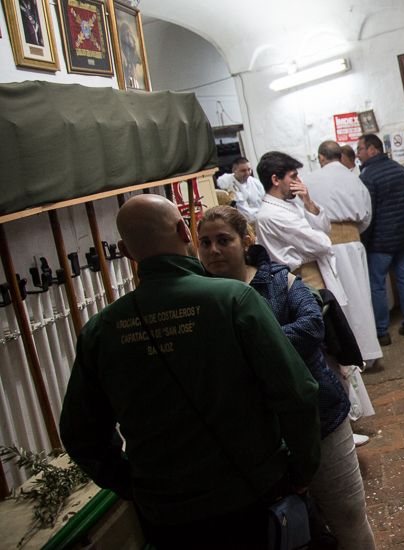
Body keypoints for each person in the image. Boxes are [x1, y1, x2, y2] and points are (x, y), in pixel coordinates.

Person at [59, 195, 321, 550]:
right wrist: (302, 471)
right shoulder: (233, 300)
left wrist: (133, 485)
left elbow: (79, 434)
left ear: (124, 250)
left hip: (168, 517)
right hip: (253, 496)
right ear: (185, 231)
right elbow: (298, 394)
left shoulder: (100, 331)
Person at [196, 206, 377, 550]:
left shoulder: (281, 281)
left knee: (348, 517)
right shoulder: (199, 298)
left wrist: (243, 347)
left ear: (245, 240)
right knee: (286, 531)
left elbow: (311, 326)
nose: (214, 250)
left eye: (223, 240)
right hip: (252, 436)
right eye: (205, 242)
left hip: (319, 420)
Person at [301, 140, 383, 365]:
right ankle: (368, 352)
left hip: (325, 246)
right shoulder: (356, 180)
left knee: (338, 301)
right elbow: (366, 217)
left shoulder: (308, 180)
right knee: (360, 299)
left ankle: (345, 355)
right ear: (341, 156)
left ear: (320, 158)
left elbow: (304, 214)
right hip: (353, 244)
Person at [254, 150, 349, 309]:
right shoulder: (272, 214)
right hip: (304, 279)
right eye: (293, 176)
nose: (299, 181)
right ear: (276, 179)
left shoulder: (287, 204)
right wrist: (318, 237)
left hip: (314, 271)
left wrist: (308, 202)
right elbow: (322, 244)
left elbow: (325, 229)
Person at [357, 133, 404, 344]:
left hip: (380, 241)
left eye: (360, 150)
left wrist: (363, 241)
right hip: (403, 236)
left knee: (377, 284)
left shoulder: (367, 176)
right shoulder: (400, 170)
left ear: (372, 149)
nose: (357, 155)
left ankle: (382, 332)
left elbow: (368, 213)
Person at [215, 157, 266, 223]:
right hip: (240, 222)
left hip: (258, 220)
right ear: (234, 170)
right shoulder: (225, 181)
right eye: (243, 170)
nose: (247, 173)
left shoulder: (257, 183)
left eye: (249, 169)